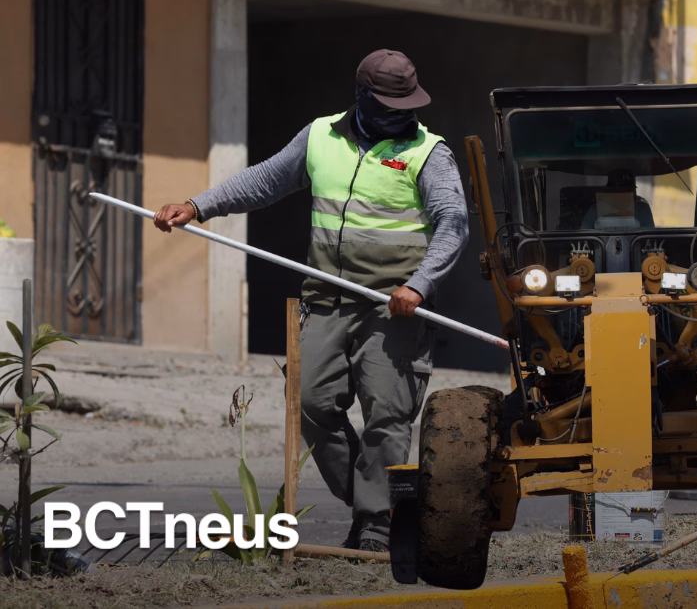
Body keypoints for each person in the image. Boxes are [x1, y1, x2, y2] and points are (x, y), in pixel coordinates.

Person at [152, 50, 468, 554]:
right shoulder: (321, 136)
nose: (400, 115)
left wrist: (420, 284)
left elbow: (453, 222)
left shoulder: (428, 153)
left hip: (393, 306)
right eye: (389, 106)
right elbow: (265, 180)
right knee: (309, 402)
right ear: (361, 96)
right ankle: (373, 501)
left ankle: (376, 525)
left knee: (387, 414)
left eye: (407, 106)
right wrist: (198, 206)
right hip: (326, 298)